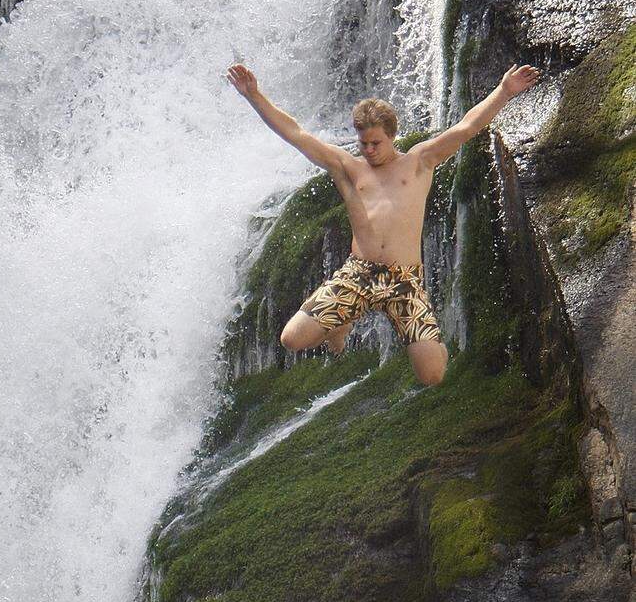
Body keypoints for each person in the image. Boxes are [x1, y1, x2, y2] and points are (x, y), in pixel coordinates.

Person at [226, 62, 540, 386]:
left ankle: (427, 347)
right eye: (363, 143)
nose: (369, 150)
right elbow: (296, 134)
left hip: (404, 282)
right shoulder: (349, 167)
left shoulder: (420, 161)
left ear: (392, 135)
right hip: (358, 274)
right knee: (291, 339)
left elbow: (466, 127)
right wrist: (253, 95)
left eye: (376, 142)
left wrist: (504, 91)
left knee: (432, 376)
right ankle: (341, 321)